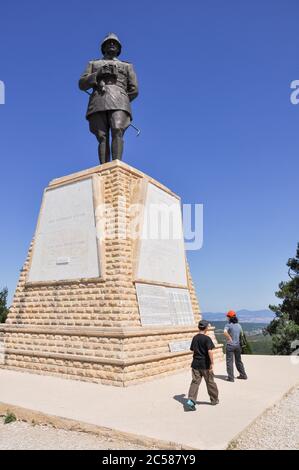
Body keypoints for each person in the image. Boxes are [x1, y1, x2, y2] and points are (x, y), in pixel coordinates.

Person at [79, 33, 139, 163]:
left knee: (117, 129)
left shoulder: (127, 66)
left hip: (120, 101)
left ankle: (116, 165)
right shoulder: (94, 64)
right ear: (103, 47)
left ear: (118, 49)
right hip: (98, 100)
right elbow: (82, 84)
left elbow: (134, 89)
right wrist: (98, 74)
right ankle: (104, 167)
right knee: (102, 136)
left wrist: (122, 98)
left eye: (115, 43)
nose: (112, 44)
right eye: (109, 43)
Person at [186, 320, 219, 411]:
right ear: (206, 328)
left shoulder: (195, 338)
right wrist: (212, 363)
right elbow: (209, 351)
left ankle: (191, 401)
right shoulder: (207, 339)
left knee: (195, 382)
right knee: (210, 382)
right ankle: (214, 399)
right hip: (205, 364)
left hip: (195, 364)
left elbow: (192, 349)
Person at [224, 310, 248, 382]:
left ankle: (231, 378)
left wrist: (229, 338)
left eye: (227, 317)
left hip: (230, 346)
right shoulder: (239, 325)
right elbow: (242, 334)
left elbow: (224, 332)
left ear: (229, 317)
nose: (226, 318)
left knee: (229, 362)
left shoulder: (228, 325)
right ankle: (243, 375)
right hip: (237, 346)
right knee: (238, 361)